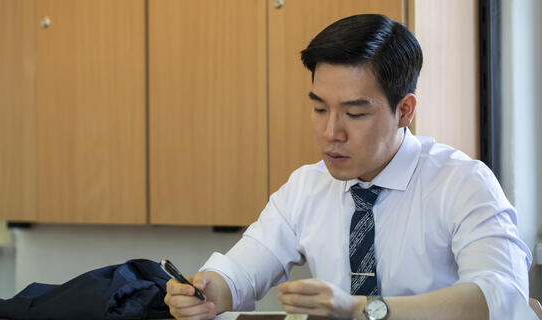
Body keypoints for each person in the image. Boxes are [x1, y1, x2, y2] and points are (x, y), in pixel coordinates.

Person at [164, 14, 533, 320]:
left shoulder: (462, 182)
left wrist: (363, 309)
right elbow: (243, 270)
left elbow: (502, 296)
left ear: (404, 110)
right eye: (320, 109)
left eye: (355, 113)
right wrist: (211, 288)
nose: (331, 133)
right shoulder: (306, 186)